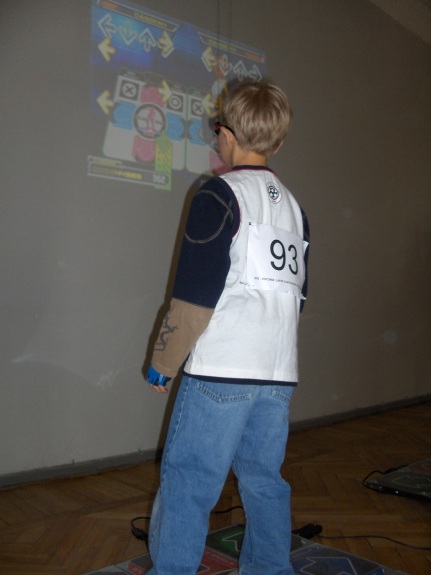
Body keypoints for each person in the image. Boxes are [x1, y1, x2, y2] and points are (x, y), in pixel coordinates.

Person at [145, 79, 310, 575]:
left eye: (217, 128)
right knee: (264, 481)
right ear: (278, 142)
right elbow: (298, 297)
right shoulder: (296, 210)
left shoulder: (217, 194)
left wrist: (163, 362)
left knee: (189, 481)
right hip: (277, 375)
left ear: (227, 135)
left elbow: (194, 299)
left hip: (222, 370)